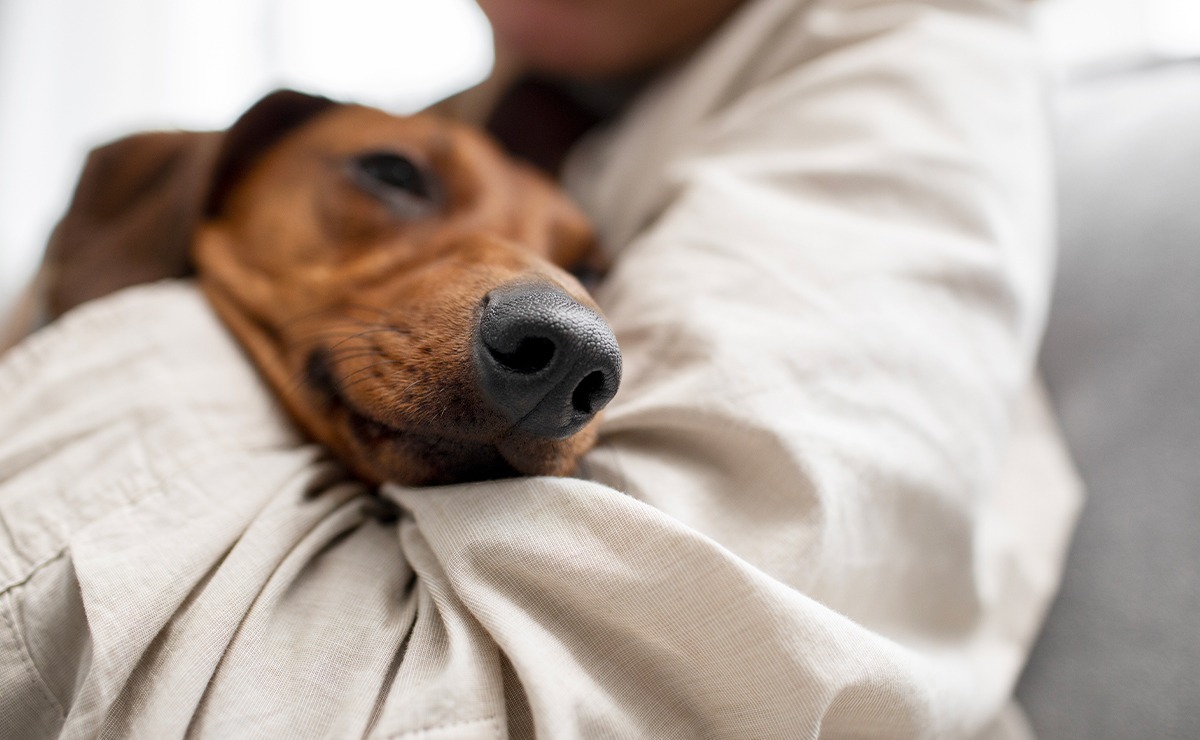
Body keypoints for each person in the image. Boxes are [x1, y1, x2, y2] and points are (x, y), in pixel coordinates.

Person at [0, 0, 1079, 737]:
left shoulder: (901, 75)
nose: (565, 330)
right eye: (394, 180)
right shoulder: (477, 109)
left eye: (587, 270)